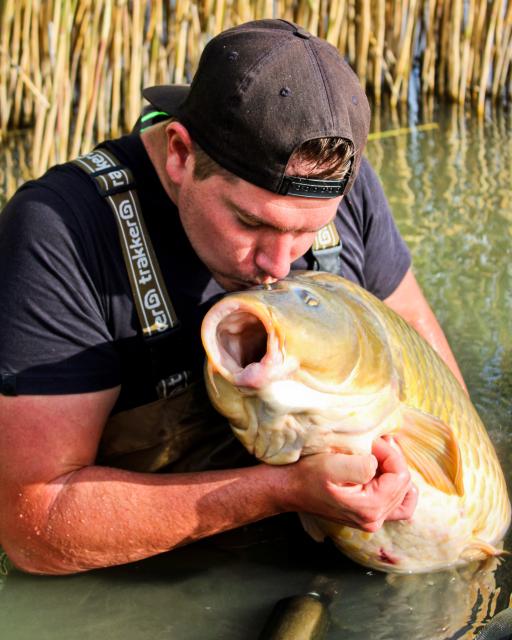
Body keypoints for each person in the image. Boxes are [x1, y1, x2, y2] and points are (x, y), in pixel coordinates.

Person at [0, 19, 465, 575]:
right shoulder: (61, 231)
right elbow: (33, 530)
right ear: (180, 153)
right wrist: (281, 491)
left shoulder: (346, 182)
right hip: (157, 585)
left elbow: (434, 377)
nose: (279, 264)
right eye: (251, 222)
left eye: (309, 230)